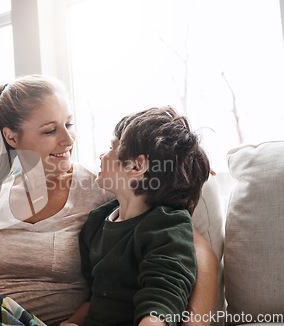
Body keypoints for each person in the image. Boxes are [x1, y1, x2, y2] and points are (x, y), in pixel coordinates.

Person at [0, 75, 218, 326]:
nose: (68, 140)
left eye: (69, 124)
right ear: (12, 137)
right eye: (50, 130)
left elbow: (197, 253)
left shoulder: (106, 188)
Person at [78, 106, 210, 326]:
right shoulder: (96, 222)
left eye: (111, 148)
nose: (102, 156)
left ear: (137, 166)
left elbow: (162, 300)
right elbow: (95, 299)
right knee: (1, 307)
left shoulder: (166, 226)